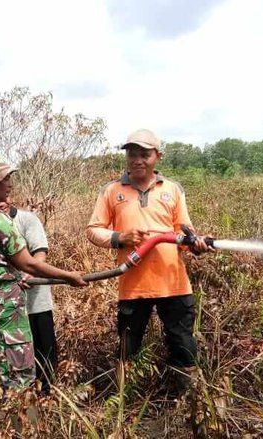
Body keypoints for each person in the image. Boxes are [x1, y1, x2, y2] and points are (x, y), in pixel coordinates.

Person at [85, 128, 213, 389]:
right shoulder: (111, 191)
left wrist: (196, 244)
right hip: (133, 285)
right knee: (128, 347)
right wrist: (120, 237)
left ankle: (188, 401)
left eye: (144, 155)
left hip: (174, 284)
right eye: (132, 154)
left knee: (183, 345)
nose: (137, 160)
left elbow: (183, 231)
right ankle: (123, 401)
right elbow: (93, 230)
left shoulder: (173, 190)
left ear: (158, 156)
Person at [0, 156, 87, 402]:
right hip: (4, 306)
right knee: (19, 377)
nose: (10, 184)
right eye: (5, 179)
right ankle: (21, 421)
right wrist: (69, 276)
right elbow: (28, 263)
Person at [0, 199, 58, 395]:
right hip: (5, 301)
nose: (0, 203)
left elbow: (40, 252)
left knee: (43, 345)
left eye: (3, 198)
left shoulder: (27, 220)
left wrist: (30, 272)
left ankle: (48, 391)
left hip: (35, 297)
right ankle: (20, 394)